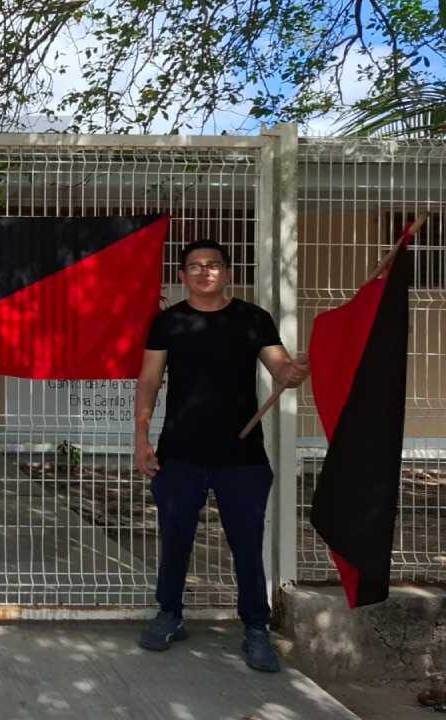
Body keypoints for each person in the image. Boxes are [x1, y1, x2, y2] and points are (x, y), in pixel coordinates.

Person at [133, 238, 309, 672]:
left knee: (246, 545)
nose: (204, 271)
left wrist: (292, 373)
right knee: (175, 540)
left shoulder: (253, 319)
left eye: (212, 265)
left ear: (227, 273)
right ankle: (169, 614)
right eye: (194, 266)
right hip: (180, 454)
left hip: (242, 458)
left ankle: (256, 628)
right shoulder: (168, 323)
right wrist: (141, 437)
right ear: (182, 276)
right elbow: (150, 380)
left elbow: (280, 367)